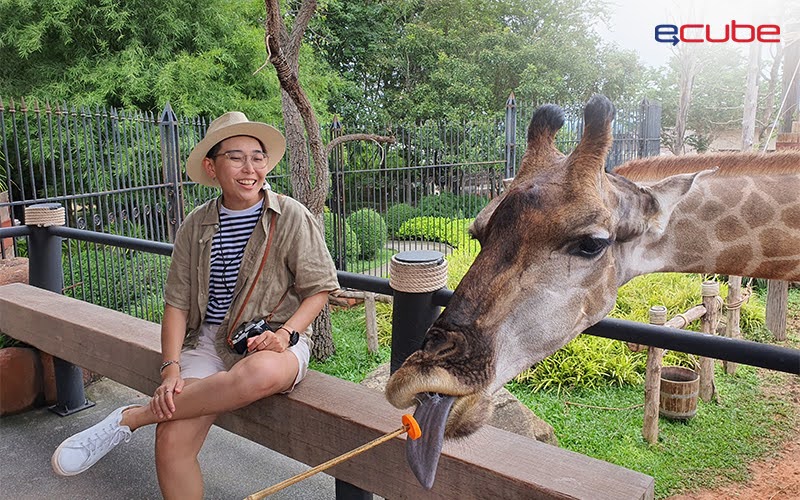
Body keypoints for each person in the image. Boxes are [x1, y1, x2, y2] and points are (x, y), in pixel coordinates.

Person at [51, 112, 339, 499]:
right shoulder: (195, 224)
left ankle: (131, 418)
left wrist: (286, 334)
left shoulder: (290, 215)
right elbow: (177, 305)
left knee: (260, 374)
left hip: (273, 340)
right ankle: (143, 417)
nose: (249, 168)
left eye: (257, 156)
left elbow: (319, 288)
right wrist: (170, 369)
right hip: (207, 342)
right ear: (212, 166)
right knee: (171, 443)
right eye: (236, 157)